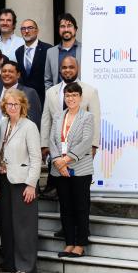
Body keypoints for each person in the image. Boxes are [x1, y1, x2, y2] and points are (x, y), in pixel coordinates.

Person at [0, 89, 41, 273]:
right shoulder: (2, 123)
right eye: (8, 104)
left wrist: (31, 184)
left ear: (22, 105)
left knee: (24, 225)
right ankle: (9, 262)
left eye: (15, 104)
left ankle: (26, 266)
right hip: (4, 179)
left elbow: (36, 158)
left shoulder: (29, 126)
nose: (12, 107)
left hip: (23, 181)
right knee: (6, 224)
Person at [50, 82, 94, 259]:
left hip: (80, 169)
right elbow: (52, 141)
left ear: (80, 98)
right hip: (60, 171)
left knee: (81, 207)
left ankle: (80, 244)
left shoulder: (87, 117)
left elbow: (86, 142)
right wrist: (58, 163)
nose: (71, 98)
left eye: (74, 95)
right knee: (65, 208)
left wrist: (65, 161)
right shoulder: (58, 116)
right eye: (68, 96)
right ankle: (69, 243)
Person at [43, 13, 81, 91]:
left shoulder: (85, 50)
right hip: (58, 98)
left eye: (69, 26)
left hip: (80, 97)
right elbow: (48, 80)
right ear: (59, 30)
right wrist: (51, 96)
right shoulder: (51, 52)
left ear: (75, 29)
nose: (66, 29)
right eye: (62, 26)